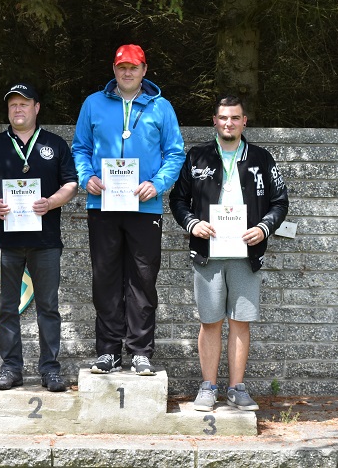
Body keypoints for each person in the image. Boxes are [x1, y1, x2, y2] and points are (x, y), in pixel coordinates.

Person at [169, 94, 288, 411]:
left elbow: (280, 203)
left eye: (235, 117)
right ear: (215, 121)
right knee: (210, 322)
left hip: (246, 253)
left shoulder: (262, 158)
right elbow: (177, 200)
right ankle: (208, 387)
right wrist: (192, 223)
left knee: (240, 322)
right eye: (223, 117)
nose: (229, 123)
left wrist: (264, 228)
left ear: (244, 121)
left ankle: (236, 388)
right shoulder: (197, 157)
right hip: (207, 252)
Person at [72, 44, 185, 376]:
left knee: (143, 279)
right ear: (114, 69)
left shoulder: (161, 107)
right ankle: (107, 351)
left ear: (144, 70)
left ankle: (139, 351)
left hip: (145, 205)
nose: (127, 72)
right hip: (103, 202)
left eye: (133, 67)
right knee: (105, 278)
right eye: (122, 67)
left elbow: (175, 153)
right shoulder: (93, 104)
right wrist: (86, 176)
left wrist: (159, 183)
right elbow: (79, 147)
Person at [0, 82, 78, 392]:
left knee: (48, 306)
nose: (18, 109)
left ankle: (50, 370)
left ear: (36, 108)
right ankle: (11, 368)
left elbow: (70, 184)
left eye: (24, 103)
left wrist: (52, 202)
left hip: (45, 241)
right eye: (12, 105)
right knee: (7, 307)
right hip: (7, 241)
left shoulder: (55, 145)